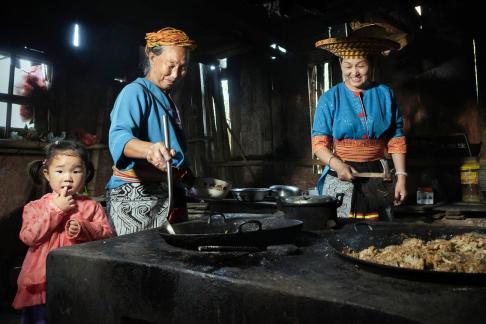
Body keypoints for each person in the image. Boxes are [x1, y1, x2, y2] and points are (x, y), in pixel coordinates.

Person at [106, 27, 196, 235]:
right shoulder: (135, 92)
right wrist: (149, 150)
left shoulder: (167, 99)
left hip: (170, 193)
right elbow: (119, 137)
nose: (176, 74)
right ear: (151, 56)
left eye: (183, 67)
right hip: (138, 197)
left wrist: (190, 179)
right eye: (171, 65)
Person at [12, 140, 113, 323]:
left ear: (86, 173)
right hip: (41, 284)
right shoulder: (35, 207)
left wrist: (84, 228)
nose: (68, 178)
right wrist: (56, 209)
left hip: (79, 280)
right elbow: (29, 237)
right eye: (60, 171)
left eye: (76, 171)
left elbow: (107, 236)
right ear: (47, 174)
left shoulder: (92, 207)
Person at [311, 34, 407, 220]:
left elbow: (396, 139)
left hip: (378, 176)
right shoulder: (330, 98)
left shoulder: (385, 94)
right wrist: (338, 165)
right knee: (343, 232)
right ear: (340, 64)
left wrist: (401, 177)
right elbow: (319, 145)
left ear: (371, 65)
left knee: (380, 233)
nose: (354, 72)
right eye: (348, 66)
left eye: (360, 65)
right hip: (341, 174)